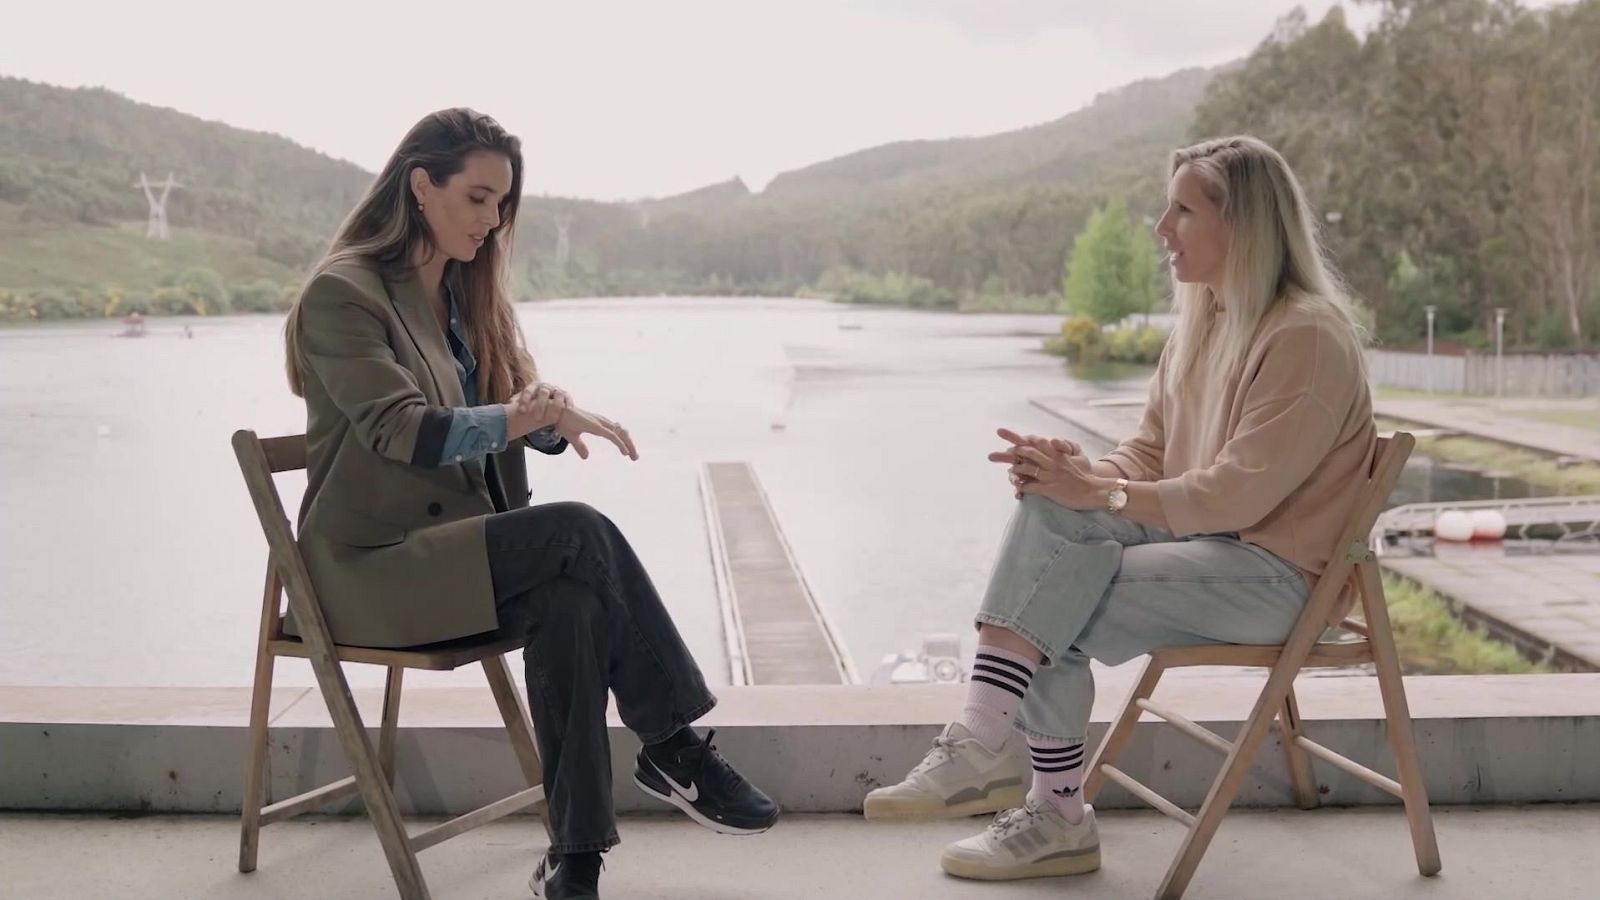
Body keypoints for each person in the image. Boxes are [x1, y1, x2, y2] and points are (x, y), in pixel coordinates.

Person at [281, 108, 777, 900]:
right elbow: (400, 430)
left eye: (502, 204)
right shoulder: (344, 295)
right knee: (579, 533)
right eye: (477, 197)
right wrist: (526, 415)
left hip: (456, 559)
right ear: (420, 184)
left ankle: (575, 865)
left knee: (573, 600)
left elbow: (503, 415)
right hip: (368, 574)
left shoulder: (465, 294)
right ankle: (674, 745)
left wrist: (547, 420)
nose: (491, 219)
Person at [863, 135, 1377, 883]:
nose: (1163, 230)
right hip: (1214, 546)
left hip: (1283, 578)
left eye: (1183, 212)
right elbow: (1147, 458)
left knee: (1053, 602)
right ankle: (992, 752)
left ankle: (1046, 802)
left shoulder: (1306, 337)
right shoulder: (1203, 326)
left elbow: (1237, 493)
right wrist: (1076, 473)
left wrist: (1100, 493)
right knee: (1048, 517)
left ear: (1246, 226)